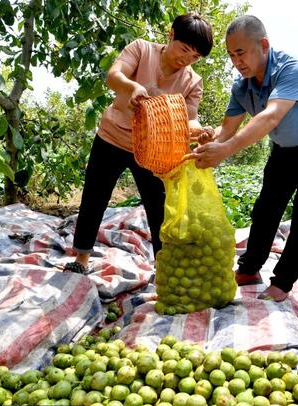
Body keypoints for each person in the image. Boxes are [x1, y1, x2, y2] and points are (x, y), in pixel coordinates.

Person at [186, 15, 298, 302]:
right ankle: (248, 269)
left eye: (241, 52)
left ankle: (282, 283)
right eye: (231, 55)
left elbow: (270, 117)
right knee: (266, 207)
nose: (236, 61)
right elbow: (227, 129)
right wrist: (209, 142)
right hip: (284, 148)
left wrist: (226, 149)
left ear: (264, 45)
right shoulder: (241, 87)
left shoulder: (293, 69)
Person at [63, 13, 214, 274]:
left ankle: (164, 269)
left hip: (154, 154)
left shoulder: (193, 82)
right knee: (95, 198)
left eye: (194, 57)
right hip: (112, 138)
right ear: (171, 35)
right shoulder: (141, 49)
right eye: (184, 49)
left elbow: (189, 122)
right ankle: (82, 259)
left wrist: (200, 133)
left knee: (159, 208)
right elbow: (113, 75)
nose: (186, 59)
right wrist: (131, 87)